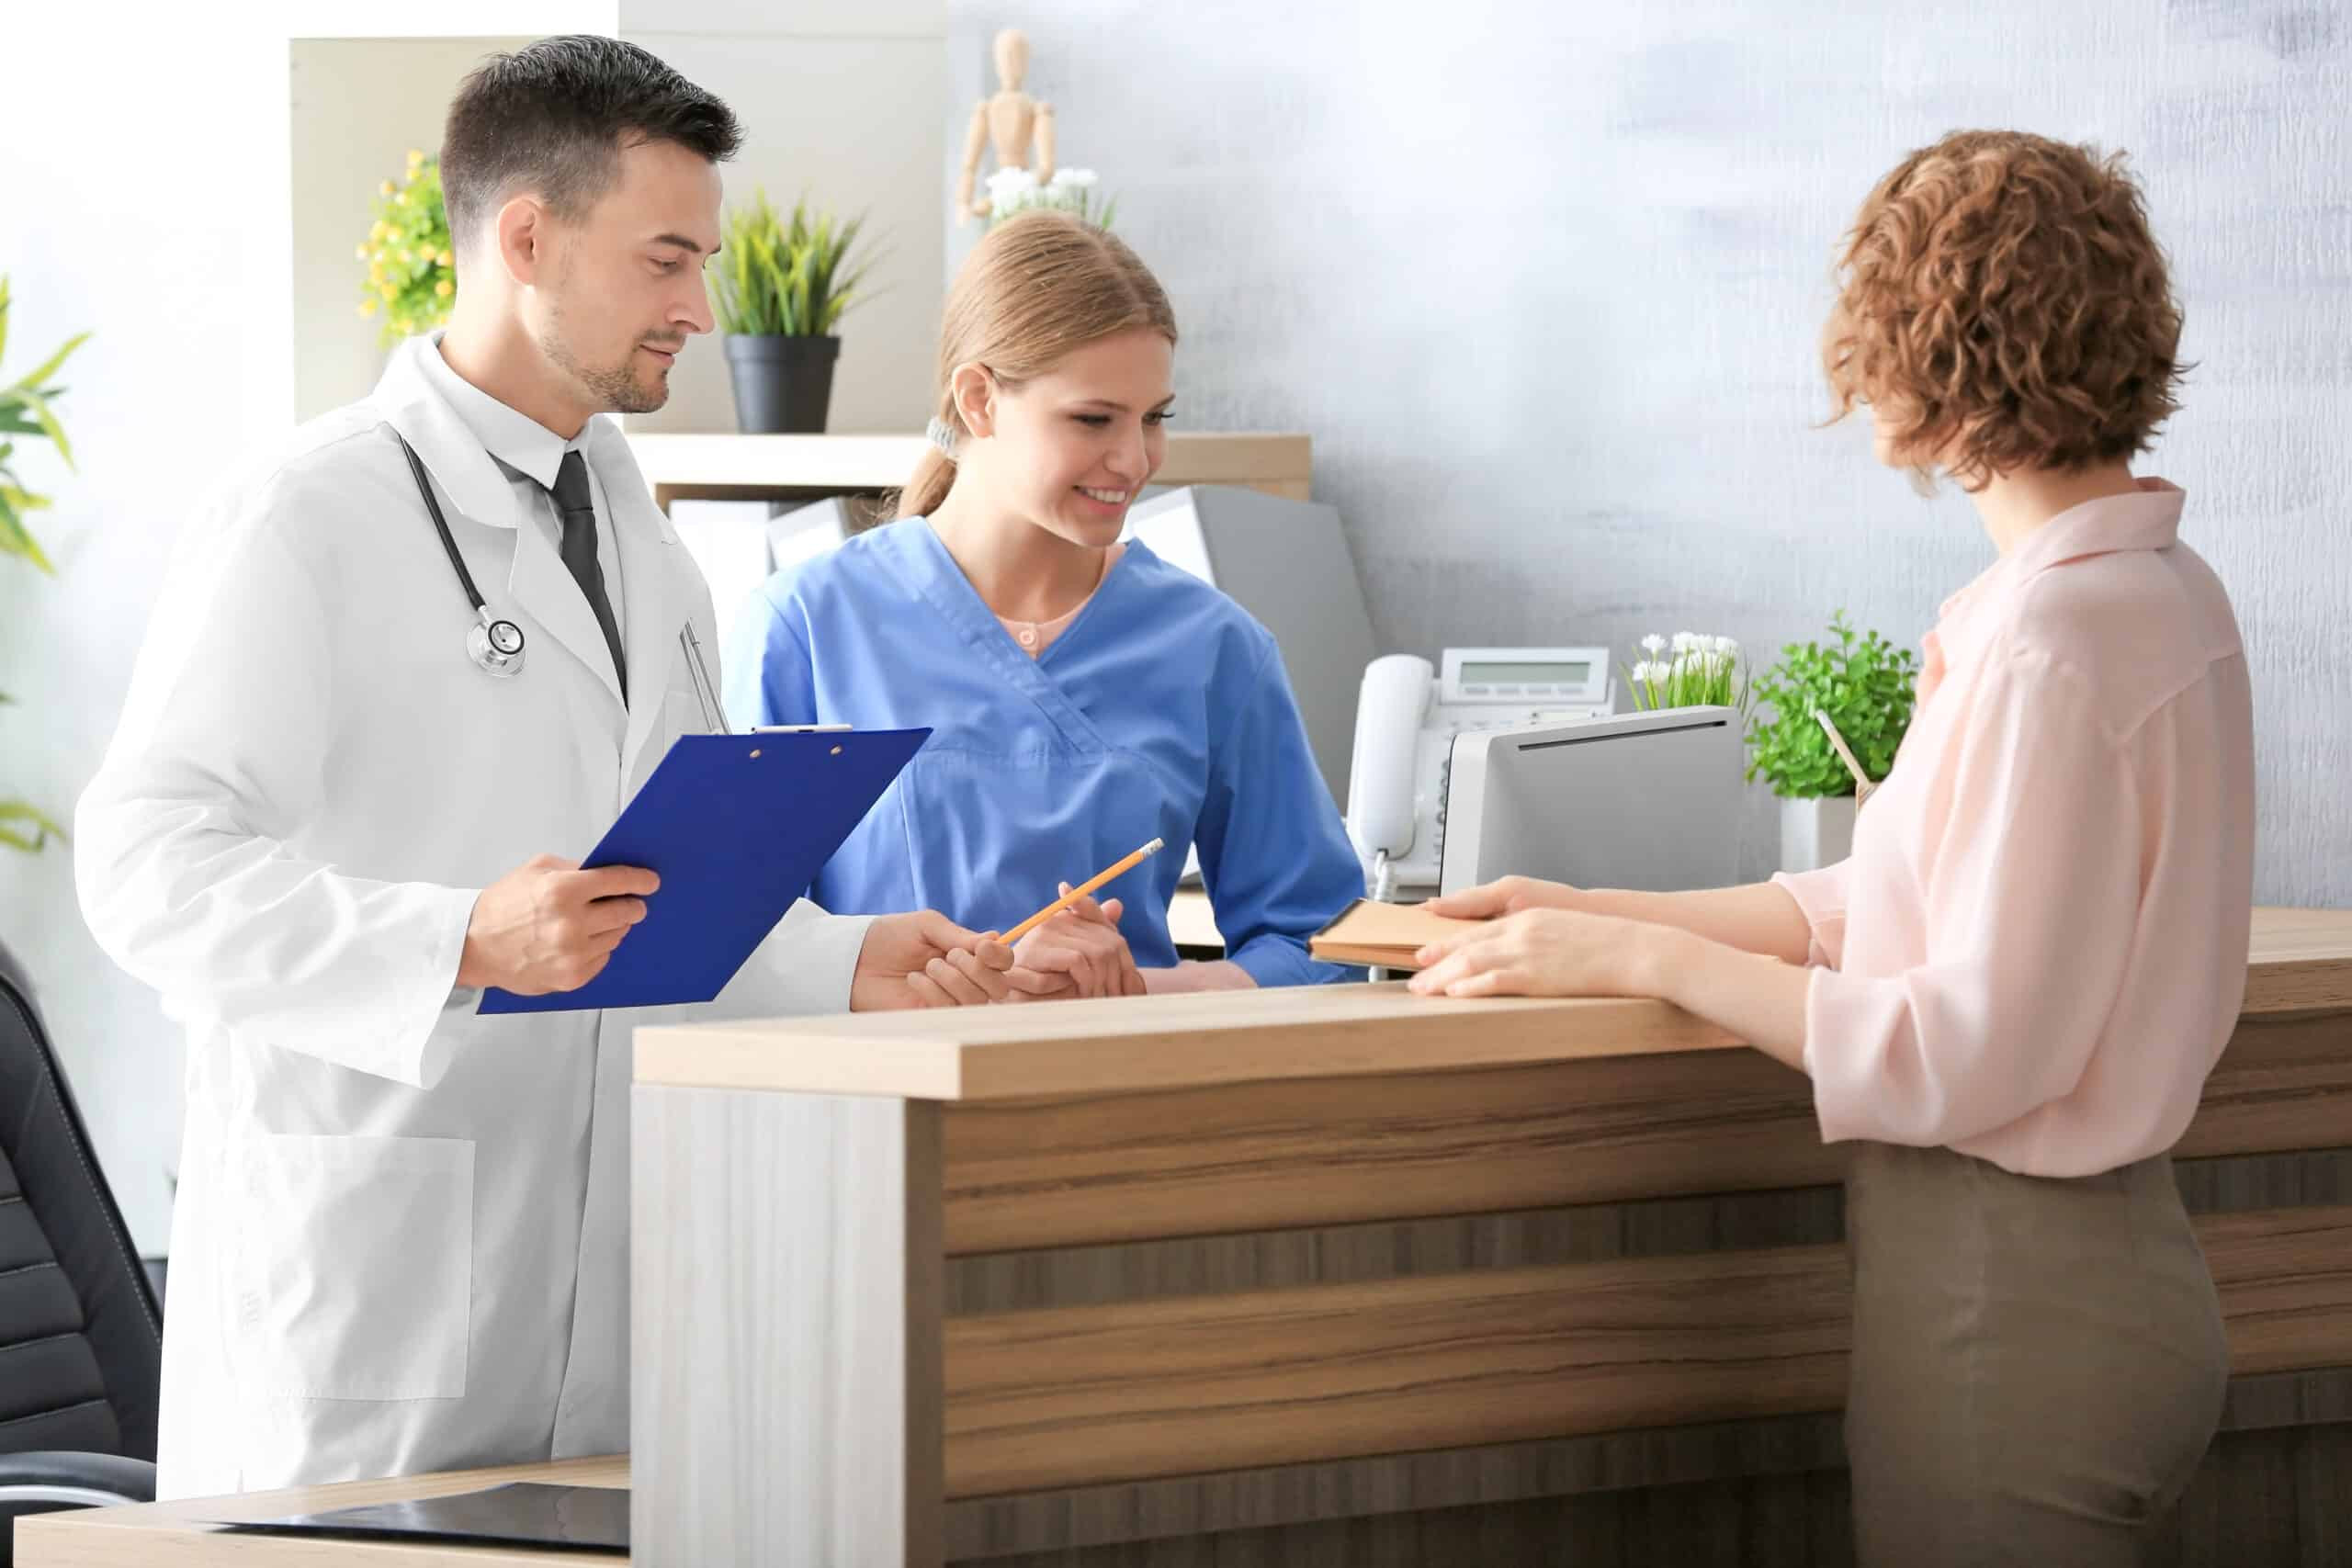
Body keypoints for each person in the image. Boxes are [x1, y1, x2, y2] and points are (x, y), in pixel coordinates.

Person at [74, 37, 1022, 1497]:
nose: (699, 307)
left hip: (605, 1285)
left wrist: (846, 959)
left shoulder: (648, 543)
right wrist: (455, 936)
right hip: (374, 1285)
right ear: (527, 237)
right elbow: (143, 866)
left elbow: (655, 892)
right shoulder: (304, 515)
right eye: (664, 260)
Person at [1410, 130, 2249, 1562]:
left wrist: (1640, 954)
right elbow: (1902, 898)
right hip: (2112, 1282)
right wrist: (1596, 906)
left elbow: (1964, 1047)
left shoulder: (2049, 641)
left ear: (1942, 349)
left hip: (2011, 1305)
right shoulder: (2159, 595)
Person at [725, 212, 1364, 995]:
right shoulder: (807, 628)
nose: (1135, 460)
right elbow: (733, 946)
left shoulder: (1213, 646)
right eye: (1094, 419)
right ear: (978, 400)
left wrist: (1128, 994)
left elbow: (1325, 945)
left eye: (1154, 417)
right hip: (870, 1105)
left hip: (1112, 1102)